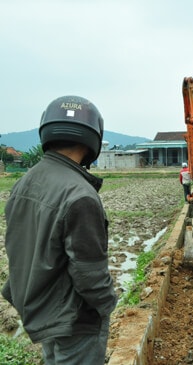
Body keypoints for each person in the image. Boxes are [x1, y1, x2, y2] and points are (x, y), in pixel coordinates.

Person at [1, 95, 118, 365]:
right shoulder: (80, 195)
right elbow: (89, 273)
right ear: (93, 138)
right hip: (75, 319)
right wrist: (107, 305)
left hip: (42, 306)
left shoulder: (26, 182)